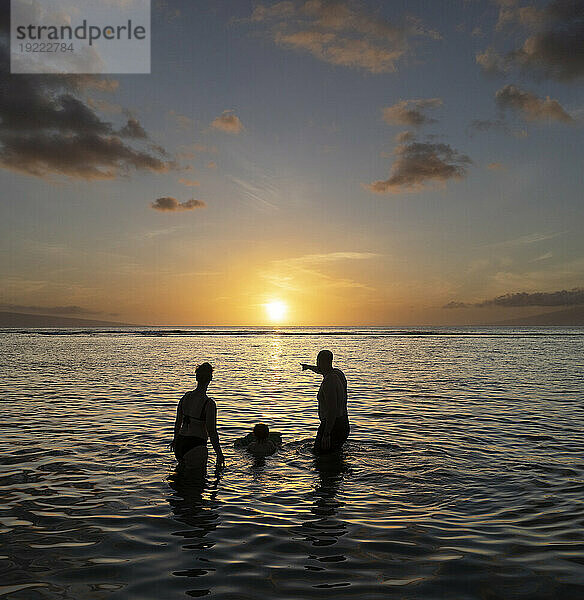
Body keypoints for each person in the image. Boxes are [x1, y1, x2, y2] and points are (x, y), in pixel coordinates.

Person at [170, 362, 225, 470]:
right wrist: (219, 454)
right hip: (196, 445)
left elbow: (177, 423)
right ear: (210, 379)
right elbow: (212, 432)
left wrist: (175, 440)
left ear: (196, 378)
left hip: (180, 443)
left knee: (180, 480)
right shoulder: (209, 404)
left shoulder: (185, 397)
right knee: (197, 483)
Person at [301, 350, 349, 455]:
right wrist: (308, 367)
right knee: (336, 458)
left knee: (320, 458)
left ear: (320, 362)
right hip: (344, 424)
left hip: (332, 426)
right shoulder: (339, 373)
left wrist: (326, 433)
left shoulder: (328, 382)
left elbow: (332, 409)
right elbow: (320, 370)